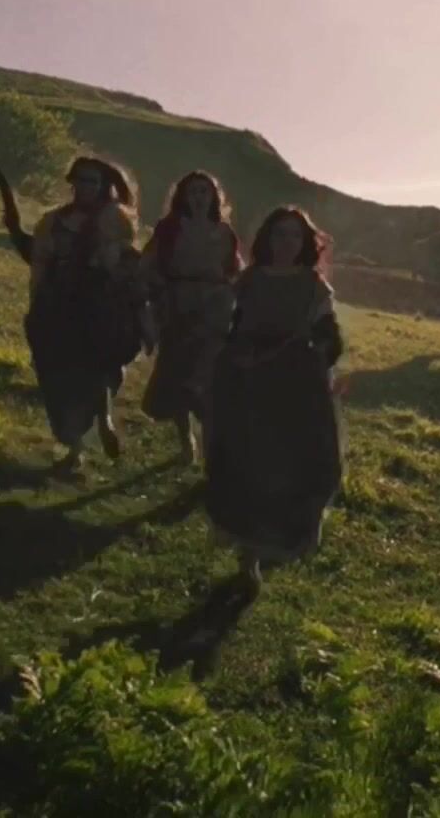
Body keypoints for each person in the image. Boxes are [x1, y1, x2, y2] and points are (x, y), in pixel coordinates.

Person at [203, 205, 346, 592]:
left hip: (294, 389)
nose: (286, 242)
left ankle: (284, 537)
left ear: (305, 242)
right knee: (247, 469)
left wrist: (316, 356)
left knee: (295, 468)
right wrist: (234, 357)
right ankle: (248, 559)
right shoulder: (248, 281)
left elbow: (329, 337)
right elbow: (228, 327)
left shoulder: (314, 286)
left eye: (294, 235)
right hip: (249, 384)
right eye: (280, 234)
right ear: (267, 239)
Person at [24, 155, 144, 471]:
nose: (87, 186)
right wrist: (37, 300)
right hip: (59, 305)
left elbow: (125, 260)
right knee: (60, 376)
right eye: (82, 179)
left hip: (99, 305)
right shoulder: (52, 221)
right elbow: (40, 263)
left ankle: (103, 418)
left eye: (93, 181)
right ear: (72, 182)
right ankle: (75, 448)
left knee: (101, 367)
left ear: (102, 185)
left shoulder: (114, 219)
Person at [138, 171, 244, 463]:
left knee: (207, 376)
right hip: (178, 305)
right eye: (193, 191)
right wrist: (156, 291)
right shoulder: (170, 228)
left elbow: (235, 270)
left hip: (215, 308)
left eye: (204, 191)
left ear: (214, 197)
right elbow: (149, 263)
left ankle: (212, 446)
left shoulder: (224, 233)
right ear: (184, 196)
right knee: (177, 371)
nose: (199, 197)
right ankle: (186, 438)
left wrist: (233, 294)